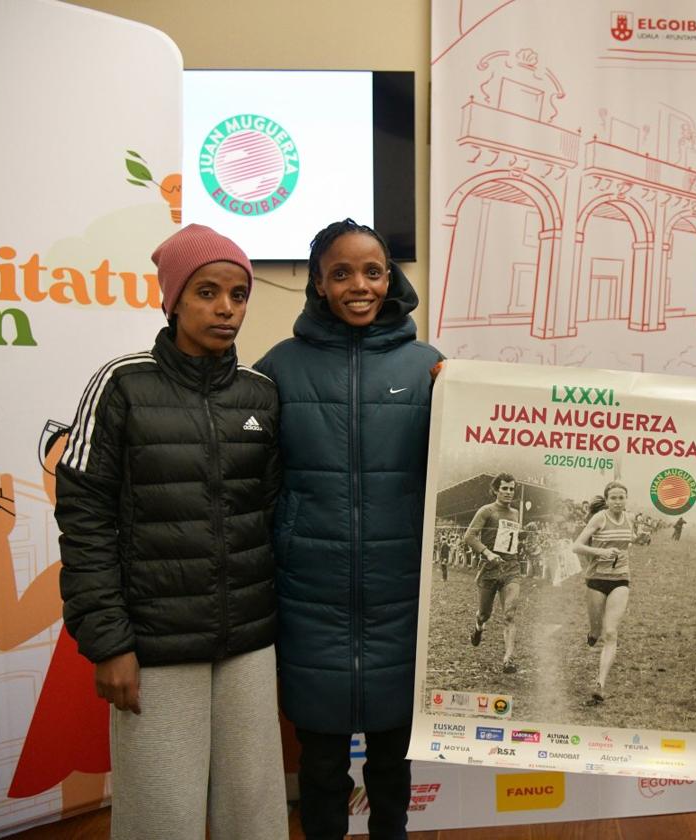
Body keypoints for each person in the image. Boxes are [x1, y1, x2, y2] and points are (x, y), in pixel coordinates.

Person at [56, 224, 287, 840]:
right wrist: (108, 643)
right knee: (162, 818)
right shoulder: (122, 385)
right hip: (154, 646)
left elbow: (268, 514)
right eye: (207, 292)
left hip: (248, 642)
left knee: (256, 816)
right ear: (174, 298)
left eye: (238, 294)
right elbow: (84, 520)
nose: (225, 308)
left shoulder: (261, 394)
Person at [256, 219, 441, 840]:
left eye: (372, 271)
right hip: (311, 599)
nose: (358, 285)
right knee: (321, 763)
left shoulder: (429, 368)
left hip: (402, 596)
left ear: (391, 279)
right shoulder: (278, 368)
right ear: (317, 283)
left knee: (394, 759)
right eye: (341, 273)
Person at [0, 423, 109, 814]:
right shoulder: (71, 563)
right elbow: (8, 629)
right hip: (79, 689)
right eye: (58, 472)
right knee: (80, 789)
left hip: (138, 686)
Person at [572, 484, 637, 705]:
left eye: (622, 497)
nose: (618, 501)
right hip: (596, 580)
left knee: (611, 632)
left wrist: (635, 541)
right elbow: (576, 546)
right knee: (597, 630)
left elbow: (630, 538)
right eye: (614, 498)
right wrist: (601, 551)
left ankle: (600, 685)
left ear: (626, 499)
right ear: (607, 500)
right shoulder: (599, 518)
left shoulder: (630, 519)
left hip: (620, 580)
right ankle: (592, 633)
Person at [463, 473, 523, 673]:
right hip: (489, 568)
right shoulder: (486, 511)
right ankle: (478, 628)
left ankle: (508, 659)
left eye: (511, 489)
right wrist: (488, 553)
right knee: (484, 614)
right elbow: (469, 536)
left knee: (510, 614)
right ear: (496, 490)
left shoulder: (516, 513)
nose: (508, 492)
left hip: (511, 567)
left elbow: (511, 539)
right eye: (504, 488)